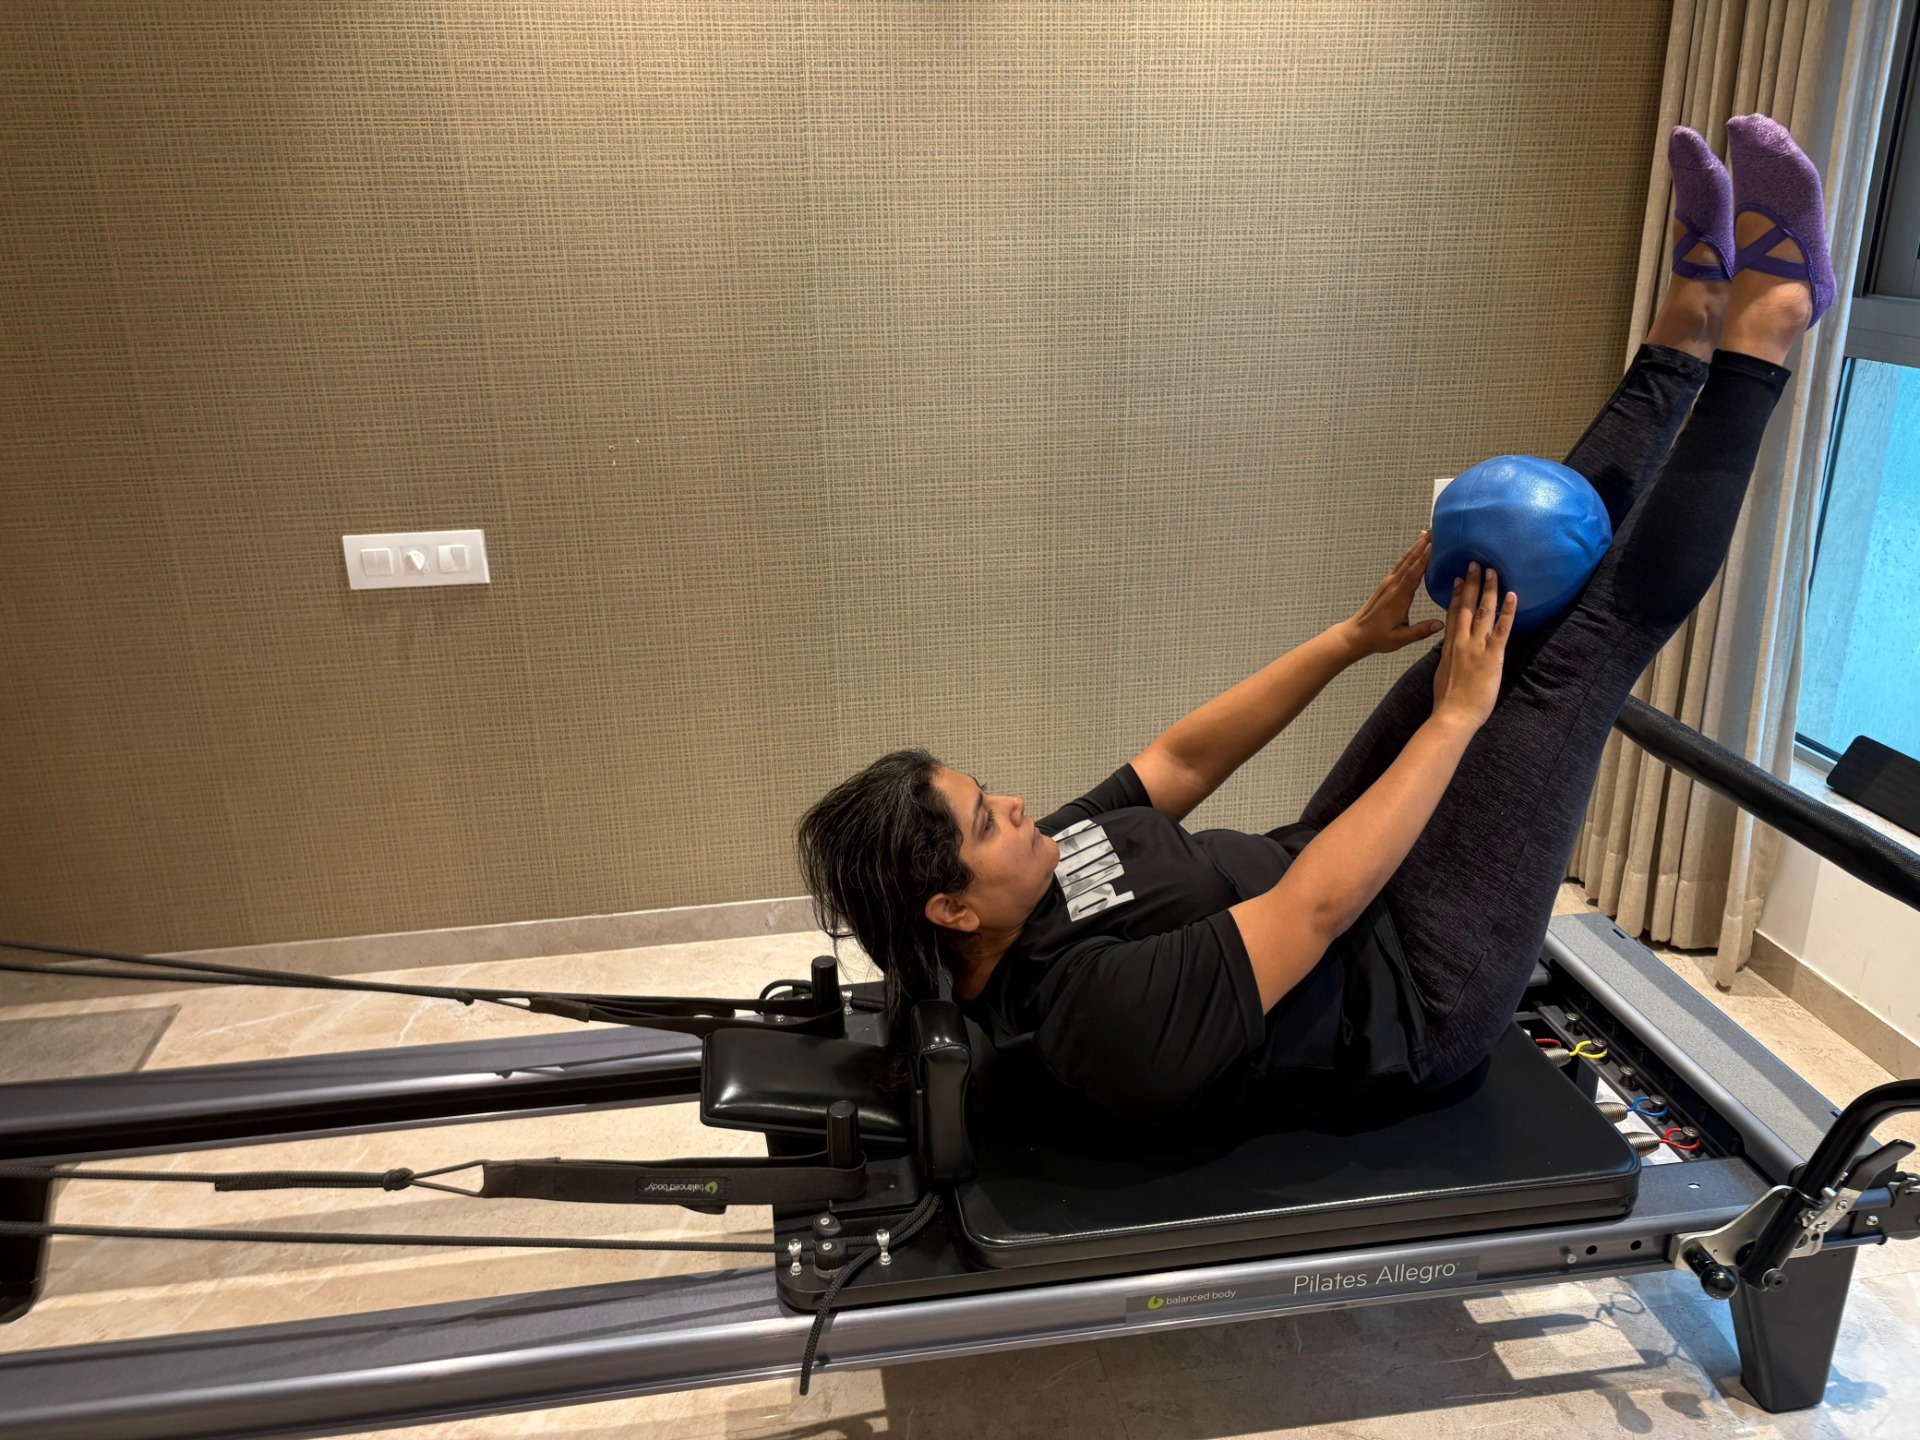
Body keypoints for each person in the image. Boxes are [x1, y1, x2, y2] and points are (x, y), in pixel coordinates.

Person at [798, 117, 1836, 1123]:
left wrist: (1348, 640)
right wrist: (1454, 719)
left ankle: (1688, 327)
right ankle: (1769, 327)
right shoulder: (1082, 1018)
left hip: (1325, 860)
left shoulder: (1027, 875)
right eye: (988, 820)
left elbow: (1178, 761)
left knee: (1515, 583)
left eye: (990, 795)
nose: (1019, 805)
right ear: (953, 910)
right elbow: (1313, 915)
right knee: (1577, 657)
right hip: (1413, 976)